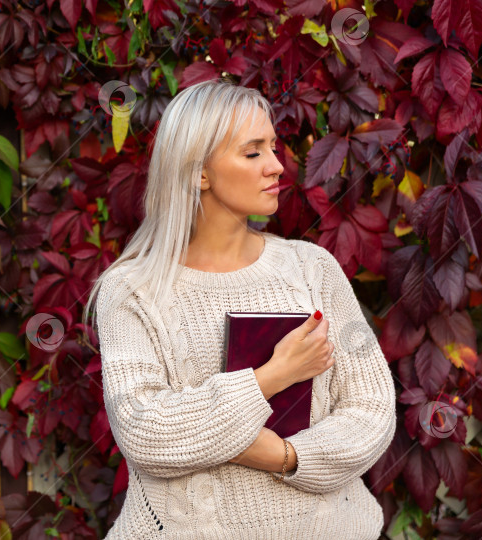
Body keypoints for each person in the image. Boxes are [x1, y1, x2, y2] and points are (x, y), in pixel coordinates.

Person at [82, 78, 397, 539]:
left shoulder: (312, 269)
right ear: (198, 172)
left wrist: (282, 457)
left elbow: (371, 409)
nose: (276, 167)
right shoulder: (132, 290)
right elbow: (145, 429)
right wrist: (273, 376)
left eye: (273, 147)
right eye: (253, 153)